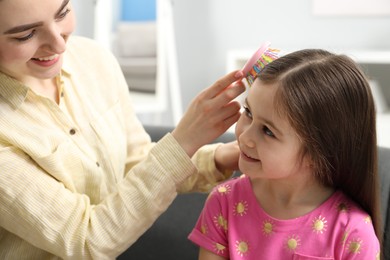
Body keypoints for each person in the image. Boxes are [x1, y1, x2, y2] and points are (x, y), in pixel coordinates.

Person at [0, 0, 246, 259]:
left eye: (62, 13)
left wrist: (217, 158)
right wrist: (182, 141)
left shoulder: (94, 60)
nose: (60, 45)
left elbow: (135, 162)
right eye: (25, 34)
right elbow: (88, 240)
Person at [188, 48, 382, 259]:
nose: (244, 138)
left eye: (268, 131)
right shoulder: (224, 202)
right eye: (249, 113)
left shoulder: (352, 234)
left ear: (318, 153)